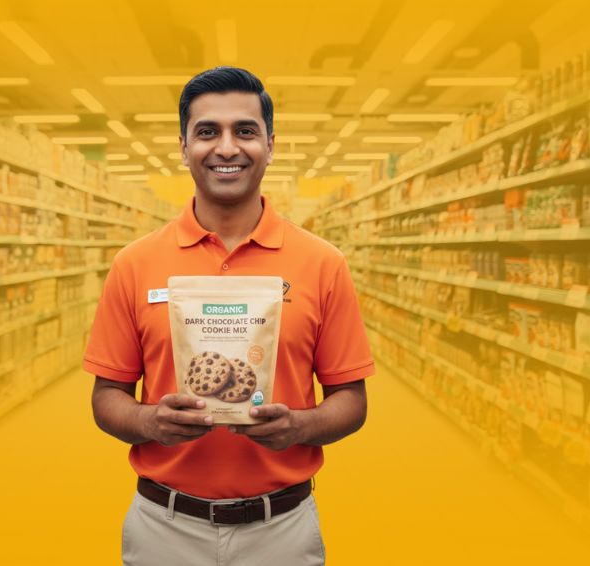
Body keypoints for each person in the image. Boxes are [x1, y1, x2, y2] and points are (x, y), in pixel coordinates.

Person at [84, 66, 374, 566]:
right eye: (206, 132)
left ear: (270, 144)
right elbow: (106, 397)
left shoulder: (323, 263)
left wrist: (299, 428)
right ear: (183, 147)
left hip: (281, 528)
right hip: (164, 528)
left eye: (244, 131)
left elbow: (351, 400)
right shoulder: (134, 263)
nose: (226, 148)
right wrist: (150, 421)